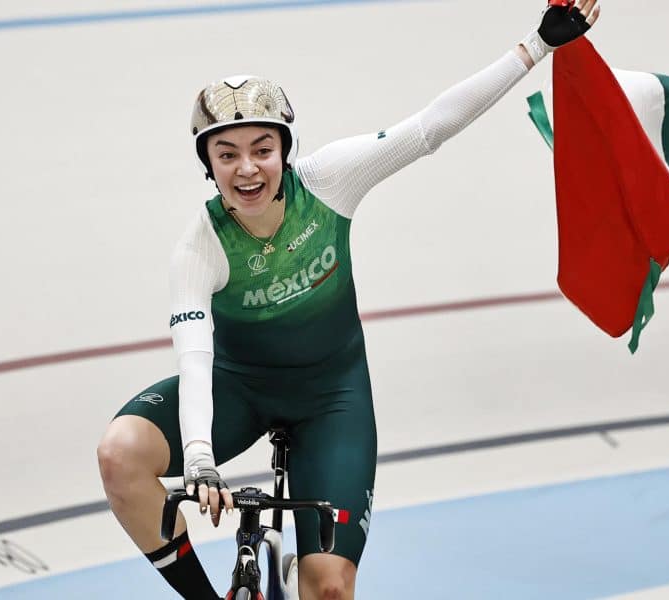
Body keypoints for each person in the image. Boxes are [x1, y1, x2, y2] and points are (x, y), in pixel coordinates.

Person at [96, 1, 601, 598]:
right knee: (119, 452)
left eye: (262, 148)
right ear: (207, 163)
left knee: (329, 588)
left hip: (330, 399)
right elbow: (195, 359)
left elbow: (430, 127)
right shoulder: (198, 248)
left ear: (285, 149)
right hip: (238, 390)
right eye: (227, 153)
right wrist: (201, 461)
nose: (248, 168)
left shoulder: (330, 180)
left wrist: (537, 45)